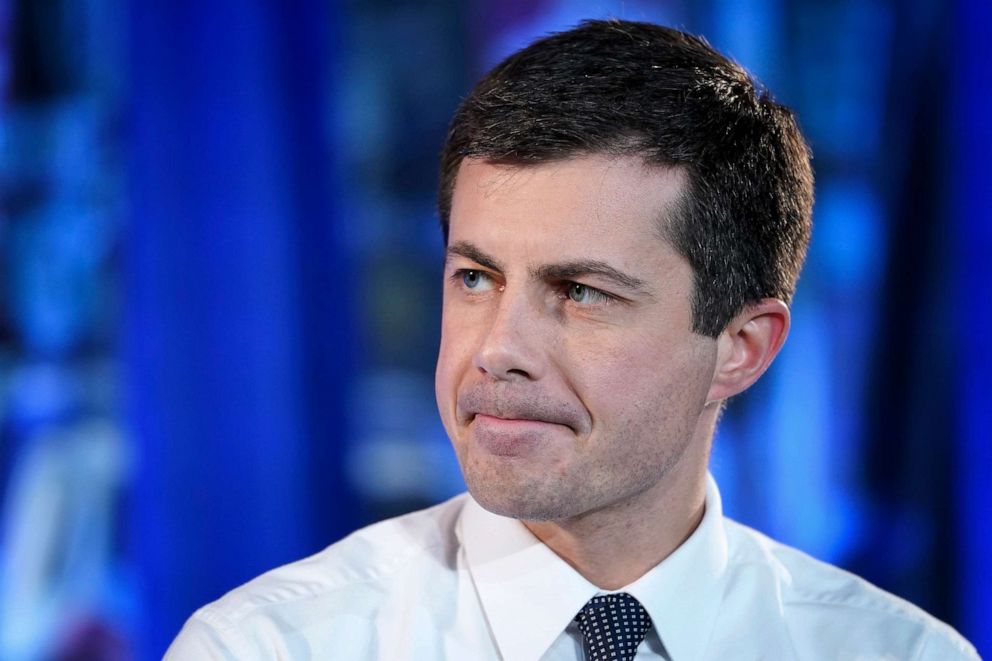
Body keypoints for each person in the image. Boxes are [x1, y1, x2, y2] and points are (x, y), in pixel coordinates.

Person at [166, 19, 978, 660]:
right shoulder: (267, 645)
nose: (496, 348)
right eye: (475, 278)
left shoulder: (895, 653)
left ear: (742, 347)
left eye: (581, 292)